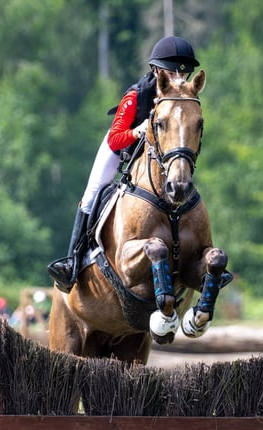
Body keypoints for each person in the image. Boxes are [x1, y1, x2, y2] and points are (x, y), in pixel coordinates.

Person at [47, 36, 200, 293]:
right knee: (91, 194)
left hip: (156, 159)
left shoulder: (183, 100)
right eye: (173, 72)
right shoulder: (135, 96)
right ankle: (72, 262)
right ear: (157, 71)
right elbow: (116, 138)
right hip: (121, 147)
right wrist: (138, 131)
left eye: (184, 72)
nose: (179, 78)